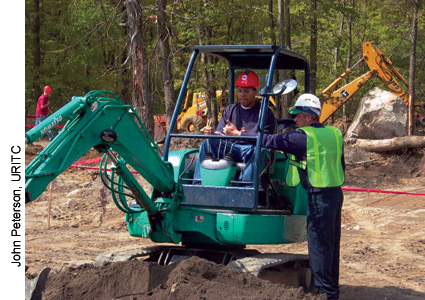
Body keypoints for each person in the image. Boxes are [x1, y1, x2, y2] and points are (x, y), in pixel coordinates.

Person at [224, 93, 345, 300]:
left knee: (318, 247)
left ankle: (325, 293)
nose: (294, 120)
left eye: (297, 116)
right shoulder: (334, 133)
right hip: (334, 194)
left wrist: (236, 133)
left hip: (318, 198)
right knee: (331, 246)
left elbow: (268, 141)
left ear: (308, 117)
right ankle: (330, 289)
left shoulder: (303, 136)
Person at [193, 70, 276, 183]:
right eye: (240, 90)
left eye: (246, 91)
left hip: (251, 149)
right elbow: (220, 133)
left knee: (261, 152)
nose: (242, 94)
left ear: (255, 91)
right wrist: (212, 134)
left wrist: (243, 134)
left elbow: (267, 141)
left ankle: (245, 187)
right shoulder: (230, 110)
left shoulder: (264, 112)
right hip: (231, 147)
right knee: (207, 144)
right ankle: (198, 182)